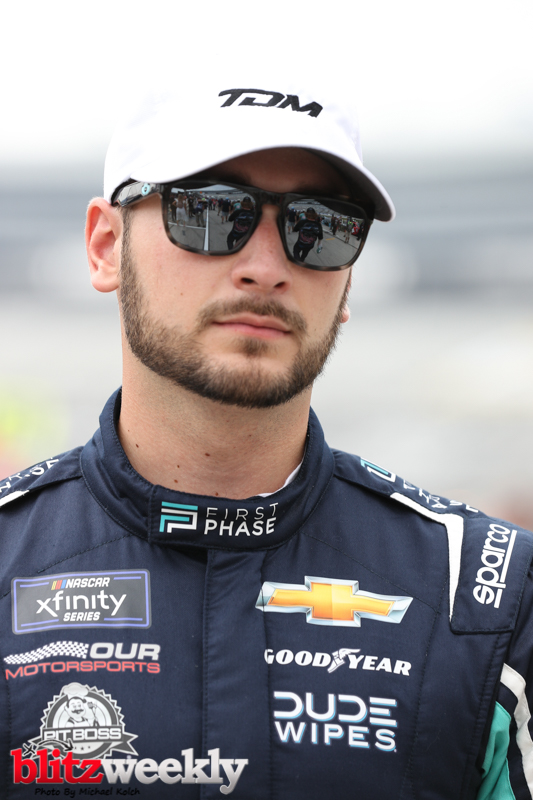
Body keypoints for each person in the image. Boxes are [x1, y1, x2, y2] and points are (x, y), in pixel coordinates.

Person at [1, 71, 532, 800]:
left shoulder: (487, 596)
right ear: (104, 245)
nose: (265, 268)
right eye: (212, 212)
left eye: (320, 227)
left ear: (348, 282)